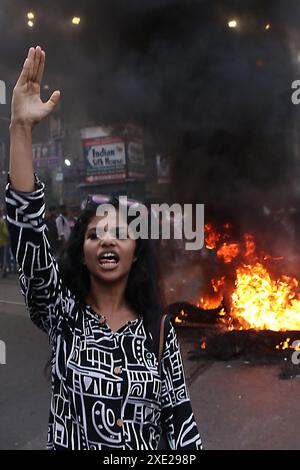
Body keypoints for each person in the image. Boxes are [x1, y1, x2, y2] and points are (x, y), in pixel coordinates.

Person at [6, 45, 202, 450]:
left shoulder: (158, 330)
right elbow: (27, 230)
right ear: (82, 252)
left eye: (120, 233)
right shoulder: (62, 313)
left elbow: (182, 427)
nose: (108, 239)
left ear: (136, 252)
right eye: (95, 234)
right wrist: (21, 130)